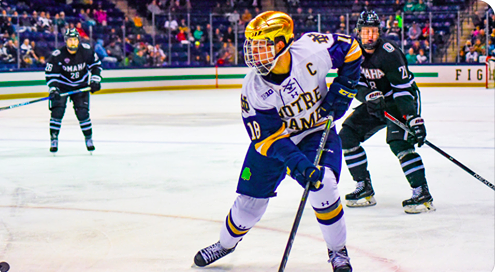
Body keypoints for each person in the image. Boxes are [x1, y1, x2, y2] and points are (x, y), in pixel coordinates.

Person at [193, 11, 362, 272]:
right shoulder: (254, 88)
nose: (253, 54)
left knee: (324, 185)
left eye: (261, 47)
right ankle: (225, 245)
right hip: (276, 142)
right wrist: (298, 164)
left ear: (282, 44)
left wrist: (345, 88)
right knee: (248, 207)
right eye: (251, 46)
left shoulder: (311, 50)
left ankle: (338, 251)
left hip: (315, 131)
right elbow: (269, 139)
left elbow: (351, 48)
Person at [338, 11, 434, 214]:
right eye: (365, 32)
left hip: (398, 101)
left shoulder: (390, 53)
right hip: (375, 101)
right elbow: (353, 85)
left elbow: (404, 89)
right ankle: (364, 188)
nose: (370, 36)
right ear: (358, 33)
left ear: (379, 32)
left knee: (399, 142)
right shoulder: (352, 53)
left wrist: (412, 118)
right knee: (346, 136)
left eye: (373, 32)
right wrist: (368, 97)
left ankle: (421, 191)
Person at [44, 28, 102, 153]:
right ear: (66, 41)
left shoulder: (86, 51)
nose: (73, 43)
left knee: (83, 113)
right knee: (57, 112)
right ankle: (54, 139)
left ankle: (88, 138)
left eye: (75, 40)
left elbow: (96, 66)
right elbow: (51, 74)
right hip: (62, 86)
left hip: (81, 86)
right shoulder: (58, 55)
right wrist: (54, 89)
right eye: (70, 40)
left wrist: (95, 80)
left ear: (78, 40)